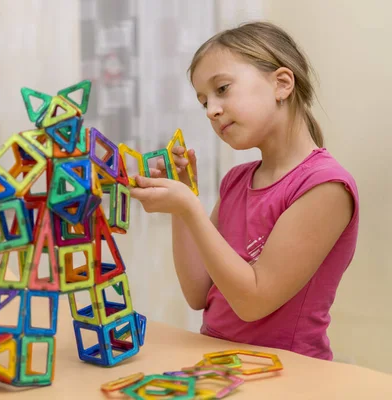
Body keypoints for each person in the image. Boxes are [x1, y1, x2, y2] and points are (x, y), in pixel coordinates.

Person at [129, 21, 359, 361]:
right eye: (203, 101)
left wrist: (190, 207)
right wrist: (181, 202)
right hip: (218, 362)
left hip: (287, 372)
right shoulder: (236, 181)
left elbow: (253, 302)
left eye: (221, 89)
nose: (211, 110)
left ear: (282, 84)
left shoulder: (324, 186)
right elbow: (197, 294)